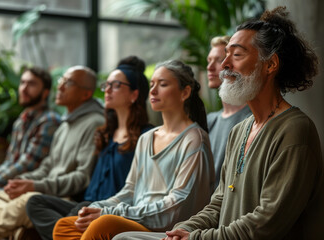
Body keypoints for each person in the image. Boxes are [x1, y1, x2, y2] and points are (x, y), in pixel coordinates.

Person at [113, 6, 324, 240]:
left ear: (270, 65)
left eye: (236, 55)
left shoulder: (295, 130)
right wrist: (185, 229)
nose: (224, 65)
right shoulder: (240, 130)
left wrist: (196, 238)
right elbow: (219, 203)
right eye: (225, 55)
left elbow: (267, 223)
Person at [52, 59, 214, 240]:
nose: (153, 91)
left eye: (163, 84)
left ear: (185, 92)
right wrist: (98, 207)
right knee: (65, 226)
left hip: (167, 230)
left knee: (103, 224)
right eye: (152, 84)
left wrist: (112, 212)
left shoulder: (194, 140)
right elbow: (130, 191)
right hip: (137, 219)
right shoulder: (146, 138)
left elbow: (177, 206)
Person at [0, 66, 105, 240]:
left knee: (28, 201)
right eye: (61, 80)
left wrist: (34, 186)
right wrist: (24, 182)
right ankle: (18, 231)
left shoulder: (94, 123)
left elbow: (82, 178)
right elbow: (47, 166)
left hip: (57, 200)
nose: (60, 86)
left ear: (86, 94)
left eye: (68, 83)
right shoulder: (65, 124)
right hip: (41, 193)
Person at [25, 56, 152, 240]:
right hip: (87, 204)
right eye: (106, 85)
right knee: (35, 203)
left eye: (115, 85)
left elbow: (137, 192)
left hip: (112, 211)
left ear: (134, 94)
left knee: (75, 214)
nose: (106, 90)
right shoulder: (106, 132)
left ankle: (67, 233)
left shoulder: (146, 136)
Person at [0, 67, 61, 225]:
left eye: (31, 84)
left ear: (45, 92)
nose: (24, 88)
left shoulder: (49, 121)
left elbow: (26, 165)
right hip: (8, 186)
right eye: (22, 83)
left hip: (26, 188)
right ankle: (8, 222)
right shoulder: (21, 121)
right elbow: (9, 163)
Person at [206, 36, 252, 188]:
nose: (210, 67)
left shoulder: (252, 119)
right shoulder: (209, 121)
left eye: (218, 60)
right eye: (209, 60)